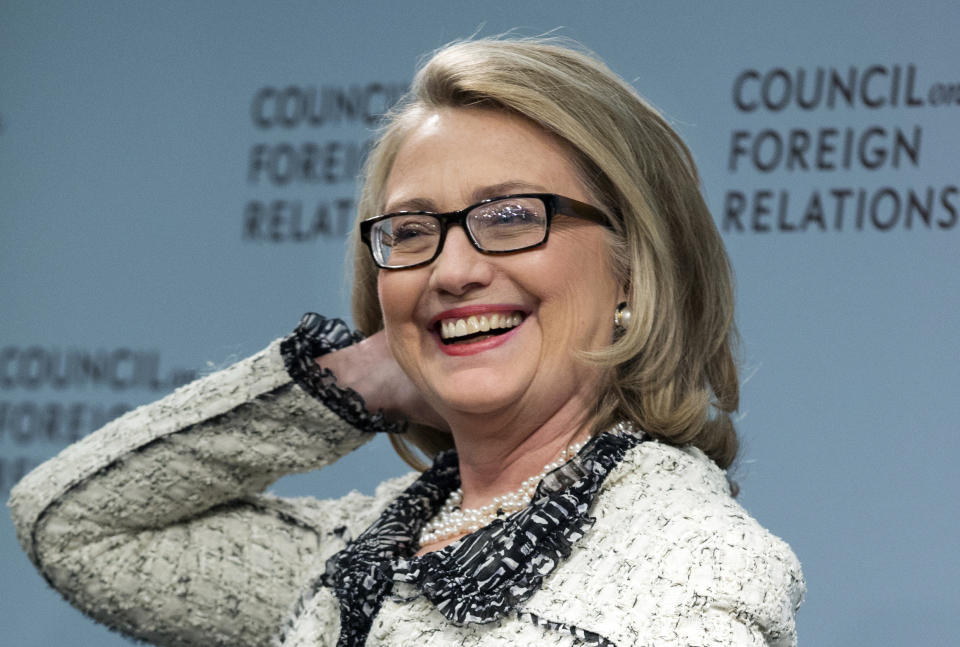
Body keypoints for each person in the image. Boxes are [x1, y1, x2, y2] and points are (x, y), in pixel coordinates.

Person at [9, 37, 804, 646]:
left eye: (510, 217)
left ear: (634, 268)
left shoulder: (696, 563)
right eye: (414, 230)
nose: (453, 269)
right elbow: (74, 526)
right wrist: (353, 378)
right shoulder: (363, 547)